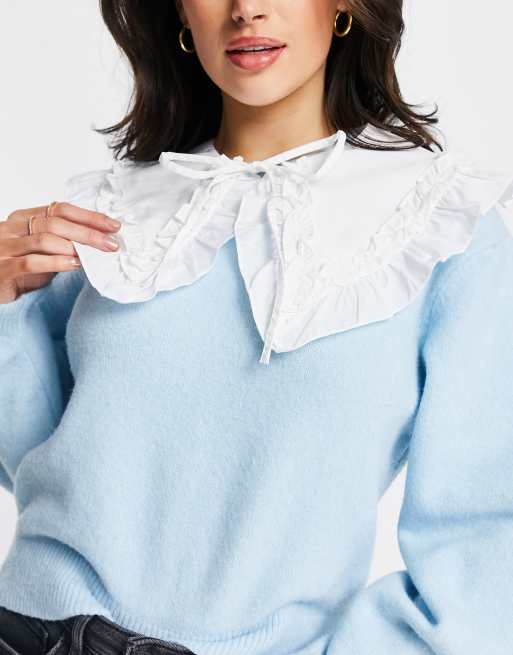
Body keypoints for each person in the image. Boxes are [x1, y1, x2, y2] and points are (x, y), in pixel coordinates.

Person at [1, 1, 512, 654]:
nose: (247, 9)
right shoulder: (114, 208)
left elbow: (484, 544)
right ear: (181, 12)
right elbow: (39, 461)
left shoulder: (441, 226)